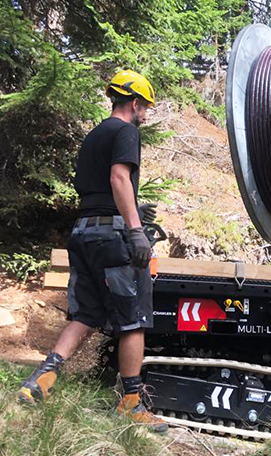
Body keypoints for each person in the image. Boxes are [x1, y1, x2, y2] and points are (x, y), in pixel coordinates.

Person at [18, 69, 167, 433]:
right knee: (134, 319)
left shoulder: (94, 135)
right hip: (112, 237)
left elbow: (98, 188)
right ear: (134, 102)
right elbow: (118, 177)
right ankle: (130, 403)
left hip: (83, 232)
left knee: (85, 314)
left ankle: (41, 380)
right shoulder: (126, 131)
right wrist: (135, 229)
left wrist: (132, 207)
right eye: (145, 106)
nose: (145, 113)